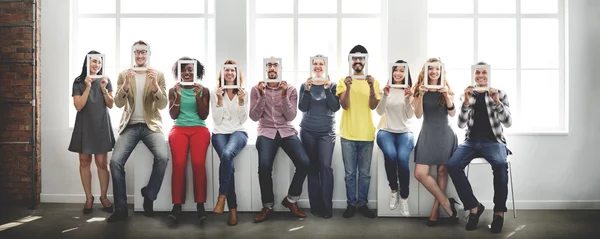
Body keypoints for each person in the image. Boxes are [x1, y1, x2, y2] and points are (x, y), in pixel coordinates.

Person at [447, 62, 512, 233]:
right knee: (453, 165)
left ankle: (498, 213)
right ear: (473, 75)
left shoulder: (500, 94)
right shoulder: (467, 95)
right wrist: (466, 102)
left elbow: (508, 122)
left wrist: (497, 101)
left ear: (489, 75)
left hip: (494, 141)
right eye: (478, 73)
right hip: (471, 141)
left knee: (500, 164)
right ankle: (474, 208)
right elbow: (461, 124)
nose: (481, 76)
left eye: (484, 72)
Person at [107, 40, 169, 223]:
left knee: (163, 157)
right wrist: (125, 85)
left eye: (143, 52)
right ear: (133, 54)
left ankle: (149, 195)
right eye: (137, 52)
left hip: (151, 125)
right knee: (115, 162)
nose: (140, 55)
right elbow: (117, 104)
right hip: (131, 125)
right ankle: (121, 209)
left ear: (149, 53)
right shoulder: (124, 74)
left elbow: (163, 104)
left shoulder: (158, 74)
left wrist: (156, 86)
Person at [250, 57, 310, 223]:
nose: (272, 68)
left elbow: (291, 116)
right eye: (269, 65)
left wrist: (283, 95)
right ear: (265, 69)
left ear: (280, 69)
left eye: (275, 65)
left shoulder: (290, 89)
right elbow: (254, 117)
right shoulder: (256, 89)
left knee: (305, 163)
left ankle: (291, 200)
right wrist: (262, 95)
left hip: (286, 130)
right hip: (266, 131)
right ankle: (267, 205)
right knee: (264, 167)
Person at [412, 57, 459, 226]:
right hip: (427, 133)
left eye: (437, 69)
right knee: (420, 173)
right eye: (430, 69)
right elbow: (418, 115)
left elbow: (453, 114)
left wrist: (446, 94)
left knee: (441, 172)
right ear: (425, 71)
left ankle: (435, 212)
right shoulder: (418, 89)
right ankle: (447, 203)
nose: (434, 72)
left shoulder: (446, 88)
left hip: (445, 134)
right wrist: (421, 95)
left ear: (441, 71)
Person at [336, 45, 380, 219]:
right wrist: (347, 88)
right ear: (350, 61)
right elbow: (344, 105)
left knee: (365, 174)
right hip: (348, 135)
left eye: (361, 58)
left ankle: (362, 204)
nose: (358, 61)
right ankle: (351, 204)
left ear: (366, 61)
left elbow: (373, 106)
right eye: (355, 58)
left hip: (367, 135)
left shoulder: (374, 82)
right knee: (349, 174)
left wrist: (370, 87)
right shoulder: (343, 81)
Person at [68, 51, 115, 214]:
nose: (97, 65)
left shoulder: (105, 80)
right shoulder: (79, 81)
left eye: (99, 62)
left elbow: (110, 104)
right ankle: (88, 198)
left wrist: (103, 89)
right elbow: (78, 105)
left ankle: (103, 197)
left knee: (102, 163)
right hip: (84, 124)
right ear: (87, 63)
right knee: (84, 162)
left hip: (101, 124)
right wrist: (88, 86)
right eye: (94, 61)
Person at [166, 57, 211, 224]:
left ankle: (201, 206)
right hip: (179, 129)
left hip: (199, 128)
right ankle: (177, 206)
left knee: (198, 163)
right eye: (183, 69)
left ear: (196, 72)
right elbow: (173, 115)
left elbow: (204, 115)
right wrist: (177, 96)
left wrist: (197, 95)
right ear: (179, 72)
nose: (187, 72)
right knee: (178, 164)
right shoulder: (173, 90)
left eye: (190, 69)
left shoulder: (203, 90)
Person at [298, 55, 340, 219]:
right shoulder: (304, 85)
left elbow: (335, 107)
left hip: (326, 132)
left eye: (321, 64)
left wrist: (328, 89)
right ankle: (315, 206)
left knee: (325, 167)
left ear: (325, 67)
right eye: (314, 64)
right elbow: (302, 107)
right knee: (313, 169)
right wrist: (307, 91)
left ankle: (326, 207)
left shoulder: (334, 85)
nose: (317, 66)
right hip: (307, 131)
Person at [211, 60, 248, 226]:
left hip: (238, 132)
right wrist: (219, 99)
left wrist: (241, 102)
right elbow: (217, 121)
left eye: (232, 70)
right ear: (223, 73)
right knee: (229, 165)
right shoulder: (216, 92)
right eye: (226, 70)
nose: (229, 73)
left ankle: (222, 197)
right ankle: (233, 210)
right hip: (220, 132)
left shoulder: (242, 92)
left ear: (236, 74)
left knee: (227, 155)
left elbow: (244, 119)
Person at [375, 60, 414, 216]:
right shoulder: (386, 89)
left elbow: (410, 115)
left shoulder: (410, 91)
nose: (398, 73)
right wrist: (384, 96)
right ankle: (394, 189)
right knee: (390, 155)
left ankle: (404, 197)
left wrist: (407, 98)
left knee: (403, 159)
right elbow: (379, 112)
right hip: (386, 130)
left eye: (401, 70)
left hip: (405, 131)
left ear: (406, 73)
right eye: (395, 70)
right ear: (392, 73)